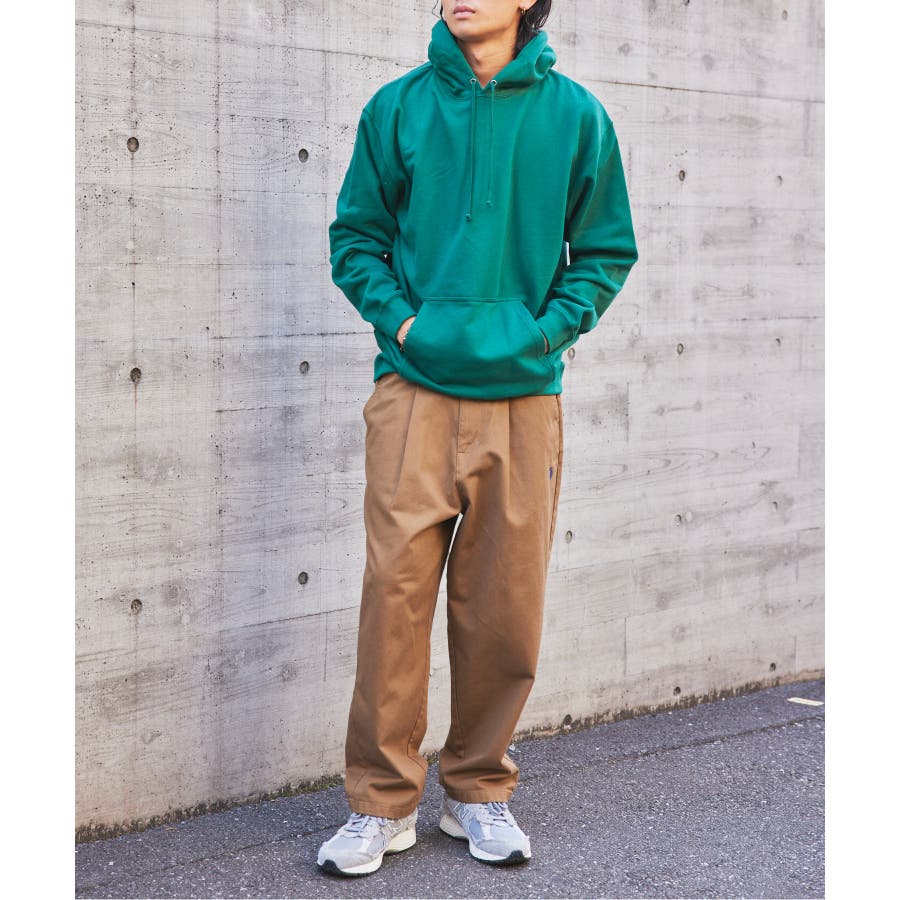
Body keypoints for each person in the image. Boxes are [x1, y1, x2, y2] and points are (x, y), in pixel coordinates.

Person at [317, 0, 638, 876]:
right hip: (413, 391)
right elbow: (356, 238)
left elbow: (605, 251)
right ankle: (380, 805)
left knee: (504, 603)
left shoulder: (576, 115)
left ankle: (477, 790)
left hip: (524, 399)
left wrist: (544, 333)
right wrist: (404, 324)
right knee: (394, 599)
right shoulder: (397, 107)